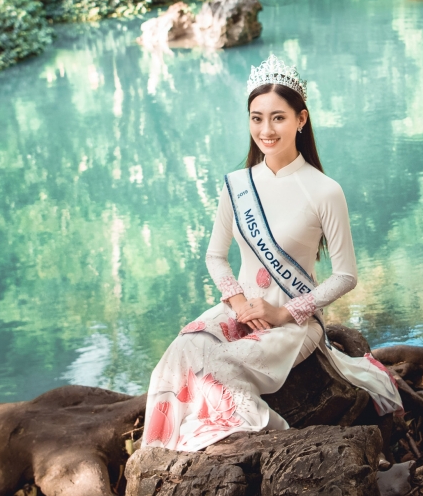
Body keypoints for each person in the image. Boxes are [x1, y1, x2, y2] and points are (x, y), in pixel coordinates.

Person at [142, 53, 403, 451]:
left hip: (294, 324)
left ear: (301, 119)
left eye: (278, 117)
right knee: (180, 352)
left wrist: (283, 313)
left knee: (219, 367)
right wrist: (239, 302)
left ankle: (275, 442)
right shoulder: (236, 185)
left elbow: (346, 275)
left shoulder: (324, 191)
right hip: (239, 309)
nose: (266, 129)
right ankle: (161, 453)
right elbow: (215, 256)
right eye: (256, 117)